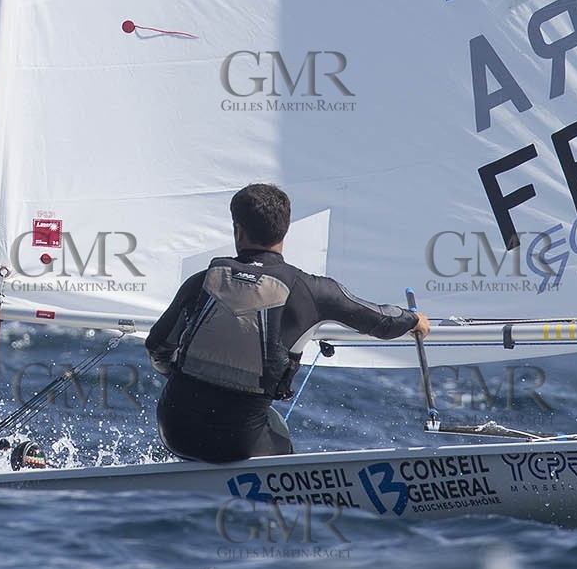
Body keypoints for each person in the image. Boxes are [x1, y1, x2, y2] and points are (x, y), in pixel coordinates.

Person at [145, 183, 431, 463]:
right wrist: (413, 319)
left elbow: (157, 346)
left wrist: (184, 379)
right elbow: (381, 320)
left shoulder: (203, 281)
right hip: (239, 442)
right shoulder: (313, 291)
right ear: (285, 230)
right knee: (276, 427)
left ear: (238, 230)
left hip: (174, 430)